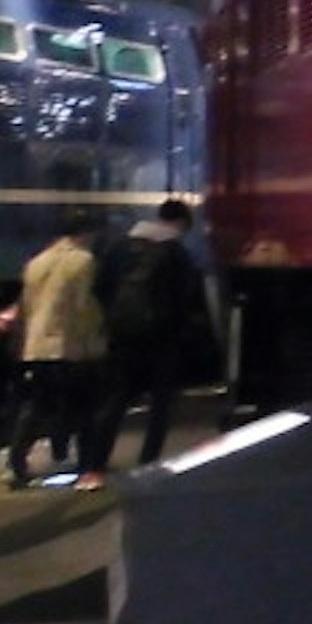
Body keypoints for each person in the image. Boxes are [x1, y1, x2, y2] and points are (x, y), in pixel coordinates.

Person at [97, 197, 224, 469]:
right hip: (163, 338)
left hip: (124, 334)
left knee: (118, 396)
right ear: (181, 223)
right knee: (161, 403)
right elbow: (186, 298)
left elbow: (100, 287)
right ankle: (148, 461)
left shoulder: (119, 247)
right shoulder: (176, 253)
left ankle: (96, 462)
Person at [3, 220, 115, 486]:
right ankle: (87, 468)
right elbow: (84, 306)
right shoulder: (83, 261)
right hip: (69, 345)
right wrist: (96, 340)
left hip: (37, 346)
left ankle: (16, 461)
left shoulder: (36, 262)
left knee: (37, 405)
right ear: (86, 233)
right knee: (84, 408)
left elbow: (27, 306)